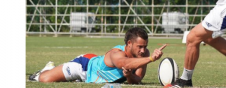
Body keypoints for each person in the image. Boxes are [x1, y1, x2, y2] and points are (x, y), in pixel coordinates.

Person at [29, 27, 167, 84]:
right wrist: (150, 59)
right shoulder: (116, 54)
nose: (143, 51)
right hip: (83, 66)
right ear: (129, 43)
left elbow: (137, 80)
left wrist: (129, 76)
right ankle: (47, 68)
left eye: (145, 47)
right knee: (44, 79)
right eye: (140, 47)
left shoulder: (143, 54)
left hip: (97, 66)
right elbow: (124, 63)